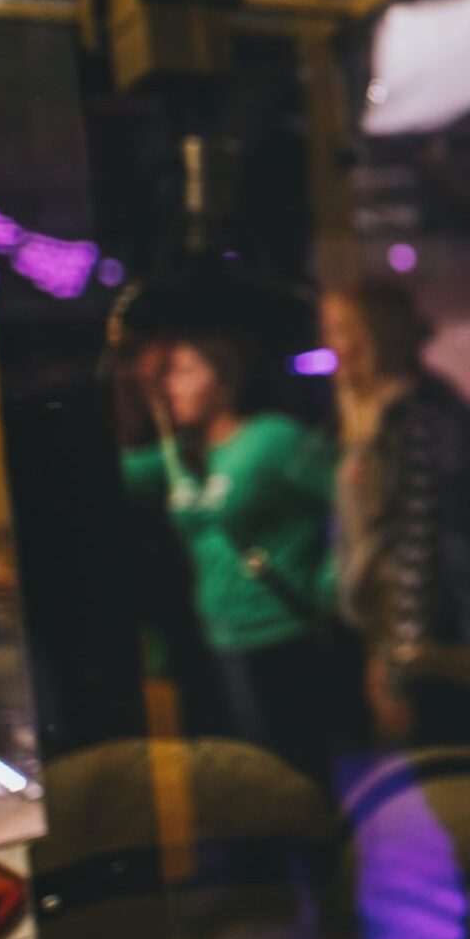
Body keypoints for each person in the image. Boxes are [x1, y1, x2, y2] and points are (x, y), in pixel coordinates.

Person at [121, 334, 341, 786]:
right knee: (248, 780)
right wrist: (134, 388)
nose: (172, 387)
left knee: (300, 777)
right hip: (222, 642)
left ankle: (325, 853)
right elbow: (113, 472)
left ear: (223, 383)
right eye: (168, 377)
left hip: (284, 635)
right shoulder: (179, 459)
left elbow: (353, 504)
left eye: (185, 372)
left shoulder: (271, 438)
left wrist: (329, 590)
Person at [323, 281, 470, 749]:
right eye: (330, 330)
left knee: (441, 775)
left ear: (377, 334)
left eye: (343, 330)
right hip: (394, 634)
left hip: (427, 640)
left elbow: (421, 547)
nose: (333, 345)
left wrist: (397, 667)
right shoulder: (379, 412)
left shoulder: (419, 415)